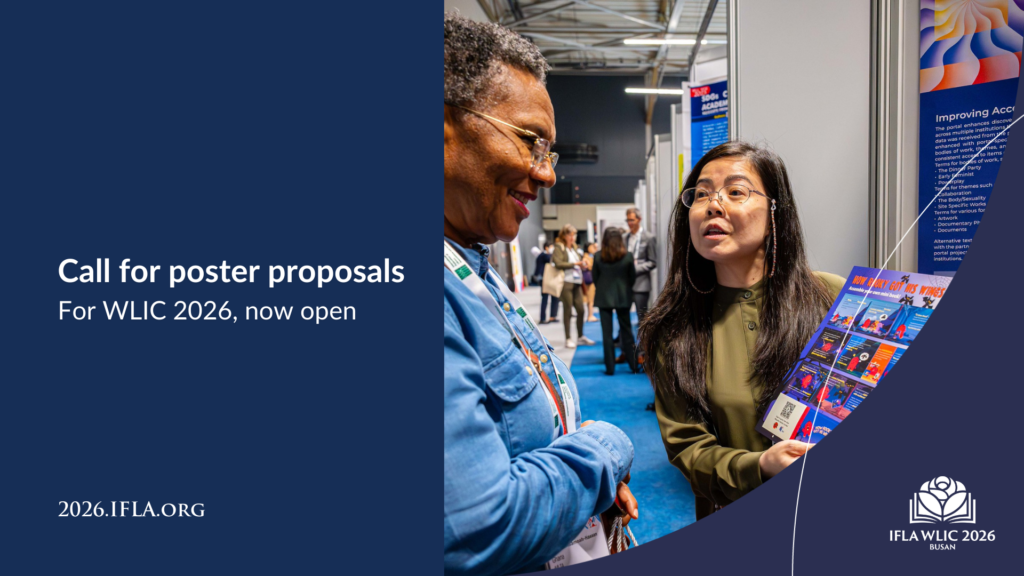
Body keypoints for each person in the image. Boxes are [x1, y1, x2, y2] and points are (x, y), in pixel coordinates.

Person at [443, 14, 636, 574]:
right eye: (530, 141)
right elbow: (480, 527)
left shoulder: (469, 260)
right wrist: (604, 449)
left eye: (547, 151)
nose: (545, 173)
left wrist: (580, 494)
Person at [639, 141, 845, 520]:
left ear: (774, 213)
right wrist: (761, 466)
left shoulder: (831, 297)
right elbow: (688, 450)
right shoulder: (674, 330)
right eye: (700, 194)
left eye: (736, 191)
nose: (713, 204)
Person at [592, 228, 637, 375]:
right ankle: (634, 365)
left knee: (607, 333)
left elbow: (595, 278)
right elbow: (632, 278)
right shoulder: (628, 257)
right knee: (627, 331)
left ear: (604, 240)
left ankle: (610, 367)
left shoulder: (598, 256)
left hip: (604, 297)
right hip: (623, 297)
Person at [552, 224, 595, 348]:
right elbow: (558, 263)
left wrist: (582, 264)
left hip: (577, 281)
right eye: (569, 234)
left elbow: (577, 263)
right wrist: (575, 263)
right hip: (566, 282)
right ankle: (568, 338)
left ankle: (580, 336)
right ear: (564, 236)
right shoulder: (559, 247)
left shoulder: (575, 248)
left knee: (581, 310)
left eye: (574, 234)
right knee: (568, 310)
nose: (572, 237)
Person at [533, 241, 559, 324]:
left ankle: (552, 316)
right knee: (545, 298)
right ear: (546, 247)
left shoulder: (543, 255)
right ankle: (543, 318)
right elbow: (550, 259)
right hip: (545, 279)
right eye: (551, 247)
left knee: (554, 297)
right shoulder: (544, 255)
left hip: (549, 279)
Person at [582, 242, 599, 322]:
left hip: (589, 279)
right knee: (590, 298)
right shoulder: (586, 256)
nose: (593, 248)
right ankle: (590, 315)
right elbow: (589, 266)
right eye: (592, 247)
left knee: (590, 298)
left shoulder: (590, 255)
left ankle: (590, 315)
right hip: (589, 280)